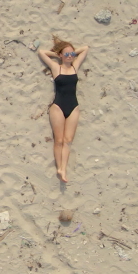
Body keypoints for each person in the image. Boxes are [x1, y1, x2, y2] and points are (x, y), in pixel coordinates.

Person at [38, 39, 88, 182]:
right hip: (58, 106)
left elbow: (85, 48)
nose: (70, 56)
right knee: (59, 140)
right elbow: (42, 52)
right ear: (60, 56)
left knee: (68, 140)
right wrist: (57, 54)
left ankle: (63, 169)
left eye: (71, 53)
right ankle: (59, 166)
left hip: (74, 106)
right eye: (66, 54)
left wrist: (71, 52)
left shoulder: (74, 66)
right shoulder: (56, 67)